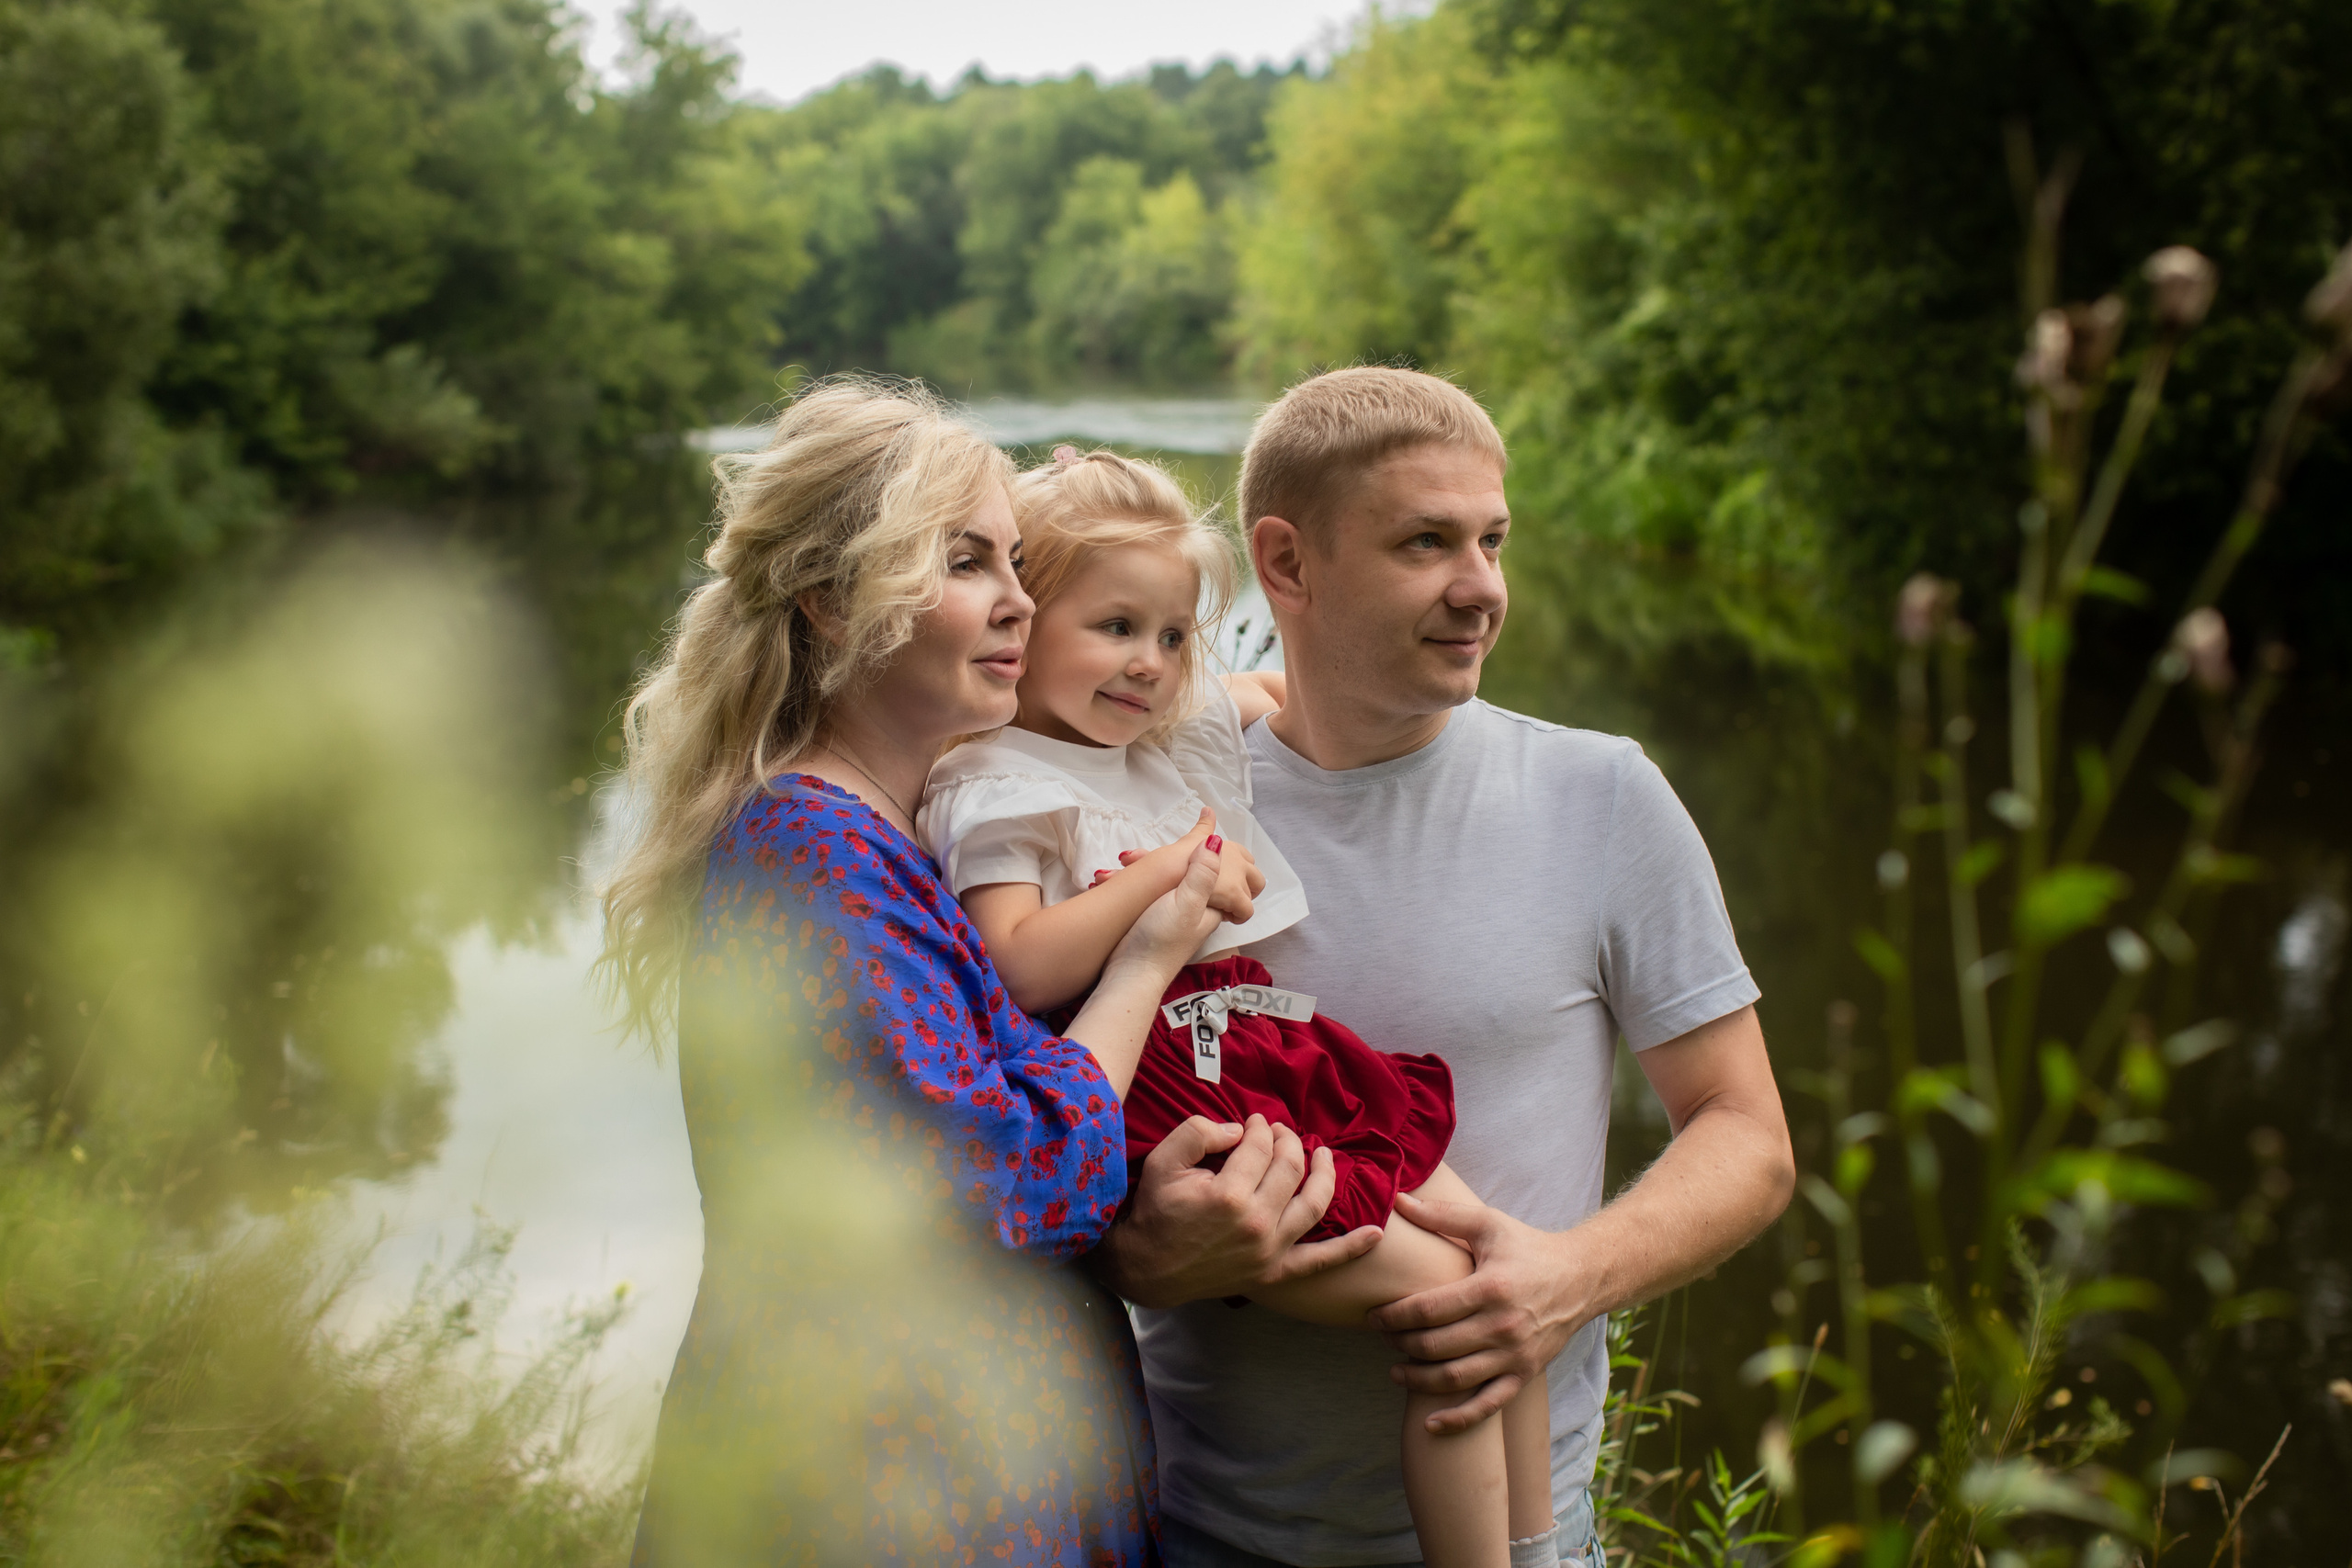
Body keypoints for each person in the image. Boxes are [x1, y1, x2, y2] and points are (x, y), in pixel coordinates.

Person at [1091, 367, 1798, 1568]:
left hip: (1522, 1537)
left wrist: (1569, 1276)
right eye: (1427, 542)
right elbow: (1046, 1122)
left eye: (1493, 539)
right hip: (1202, 1527)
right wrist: (1137, 1245)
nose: (1481, 588)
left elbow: (1748, 1134)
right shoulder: (1142, 815)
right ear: (1289, 562)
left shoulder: (1602, 793)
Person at [598, 380, 1240, 1565]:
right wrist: (1147, 957)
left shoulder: (898, 836)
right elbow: (1031, 1173)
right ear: (835, 604)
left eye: (1015, 561)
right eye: (968, 563)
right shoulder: (818, 853)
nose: (1018, 601)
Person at [917, 446, 1558, 1568]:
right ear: (1023, 624)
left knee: (1512, 1285)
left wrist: (1348, 694)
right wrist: (1161, 884)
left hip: (1265, 1041)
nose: (1151, 667)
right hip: (1181, 1089)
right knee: (1454, 1313)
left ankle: (1550, 1550)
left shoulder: (1155, 736)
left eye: (1172, 637)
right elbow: (1016, 965)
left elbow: (1264, 695)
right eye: (1115, 628)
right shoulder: (996, 783)